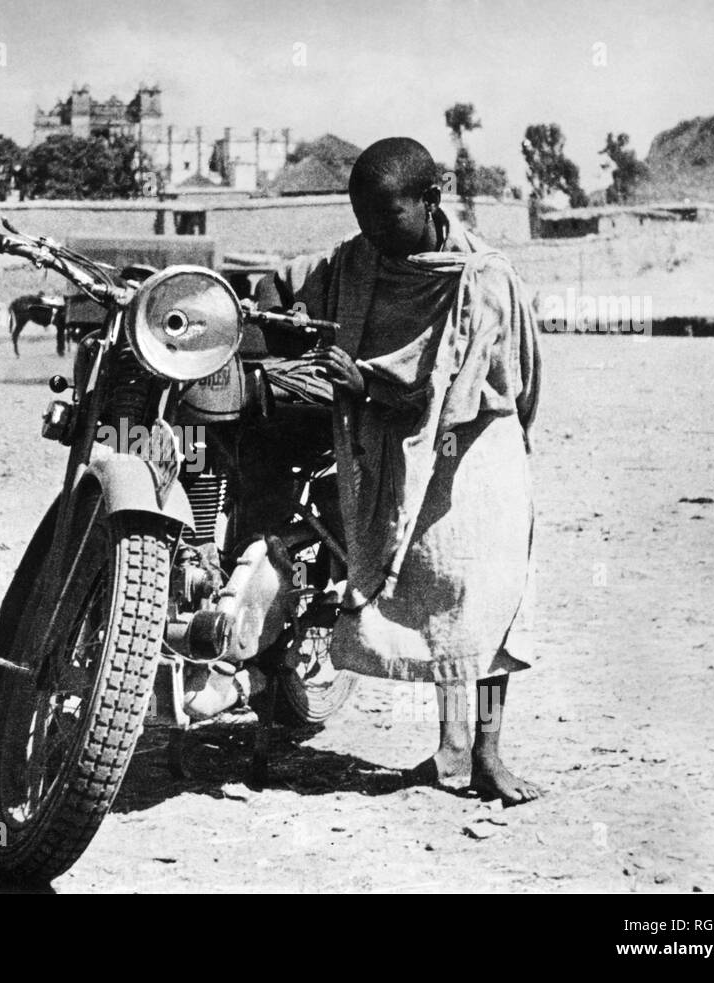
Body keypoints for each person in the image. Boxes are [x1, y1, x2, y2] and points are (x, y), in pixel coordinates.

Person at [273, 137, 543, 805]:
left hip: (478, 449)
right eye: (361, 217)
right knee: (437, 595)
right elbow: (287, 288)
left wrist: (363, 382)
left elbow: (462, 389)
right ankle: (450, 752)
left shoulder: (482, 278)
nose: (372, 233)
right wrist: (296, 315)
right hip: (398, 448)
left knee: (486, 598)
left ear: (432, 200)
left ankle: (488, 752)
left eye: (386, 217)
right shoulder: (357, 260)